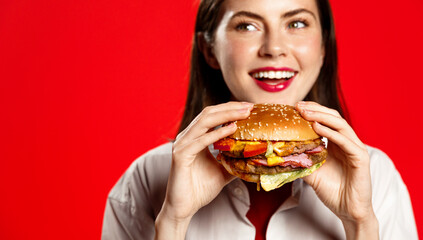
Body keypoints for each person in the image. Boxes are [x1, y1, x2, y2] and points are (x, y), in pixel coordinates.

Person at [102, 0, 418, 239]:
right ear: (209, 49)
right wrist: (172, 221)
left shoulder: (377, 176)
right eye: (247, 26)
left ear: (323, 47)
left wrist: (360, 223)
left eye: (296, 23)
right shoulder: (146, 179)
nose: (274, 48)